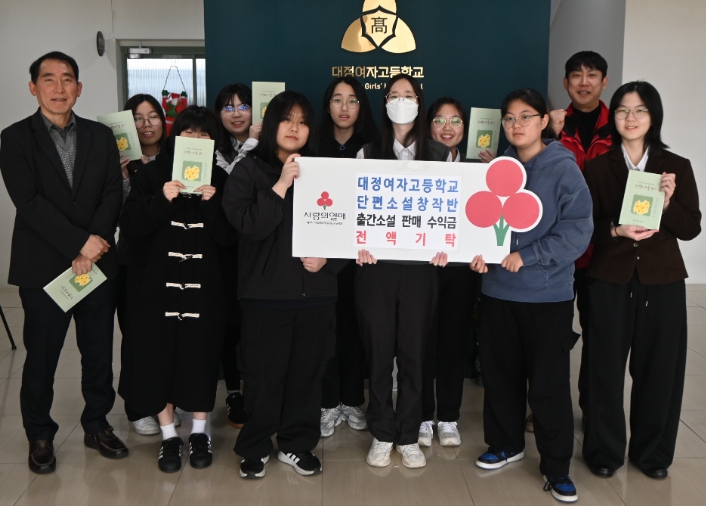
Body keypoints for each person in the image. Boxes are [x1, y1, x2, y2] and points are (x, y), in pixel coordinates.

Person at [0, 51, 127, 474]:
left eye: (67, 78)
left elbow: (112, 192)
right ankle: (39, 434)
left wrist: (93, 246)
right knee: (41, 357)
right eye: (49, 79)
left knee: (98, 351)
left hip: (97, 265)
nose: (59, 87)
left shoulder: (100, 135)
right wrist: (79, 244)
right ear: (33, 87)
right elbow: (29, 202)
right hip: (42, 268)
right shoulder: (14, 138)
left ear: (79, 87)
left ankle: (97, 424)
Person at [470, 88, 592, 503]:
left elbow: (578, 230)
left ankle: (556, 467)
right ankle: (506, 445)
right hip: (497, 292)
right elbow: (478, 222)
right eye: (509, 118)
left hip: (546, 296)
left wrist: (530, 255)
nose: (516, 124)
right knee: (500, 375)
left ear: (544, 121)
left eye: (526, 116)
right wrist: (478, 255)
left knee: (548, 385)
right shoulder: (496, 169)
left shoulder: (563, 169)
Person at [582, 81, 701, 480]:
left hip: (662, 280)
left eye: (640, 110)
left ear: (654, 116)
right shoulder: (597, 167)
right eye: (622, 110)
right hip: (609, 278)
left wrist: (667, 204)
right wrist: (616, 230)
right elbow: (584, 227)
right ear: (613, 117)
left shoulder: (676, 166)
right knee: (603, 370)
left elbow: (691, 228)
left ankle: (652, 454)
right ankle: (603, 452)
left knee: (660, 370)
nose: (630, 118)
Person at [222, 90, 343, 479]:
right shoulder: (248, 171)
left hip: (316, 295)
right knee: (263, 377)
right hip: (265, 296)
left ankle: (296, 444)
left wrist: (328, 261)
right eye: (288, 119)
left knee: (307, 376)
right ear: (272, 123)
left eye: (303, 121)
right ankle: (255, 446)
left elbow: (346, 229)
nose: (295, 127)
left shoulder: (324, 171)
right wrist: (281, 185)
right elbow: (249, 226)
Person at [119, 105, 236, 473]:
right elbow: (131, 224)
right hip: (156, 289)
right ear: (176, 137)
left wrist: (212, 204)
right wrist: (161, 199)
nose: (196, 140)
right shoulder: (151, 175)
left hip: (205, 290)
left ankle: (200, 431)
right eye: (189, 132)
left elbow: (231, 239)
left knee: (201, 355)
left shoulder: (221, 178)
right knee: (157, 358)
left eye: (204, 135)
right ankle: (169, 435)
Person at [355, 74, 450, 470]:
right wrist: (357, 241)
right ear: (384, 103)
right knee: (379, 354)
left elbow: (451, 209)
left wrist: (448, 244)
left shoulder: (440, 155)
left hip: (420, 271)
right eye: (393, 95)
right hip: (375, 269)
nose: (401, 101)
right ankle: (382, 432)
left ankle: (408, 434)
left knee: (414, 354)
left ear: (419, 102)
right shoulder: (367, 151)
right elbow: (355, 206)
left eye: (408, 95)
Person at [528, 51, 611, 432]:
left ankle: (594, 412)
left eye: (592, 75)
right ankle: (545, 410)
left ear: (603, 82)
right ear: (565, 83)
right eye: (576, 75)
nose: (584, 82)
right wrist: (551, 134)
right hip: (556, 253)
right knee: (553, 338)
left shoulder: (619, 127)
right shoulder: (551, 126)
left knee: (601, 337)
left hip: (605, 250)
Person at [115, 93, 181, 436]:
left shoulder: (177, 157)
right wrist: (125, 177)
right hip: (132, 260)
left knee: (168, 334)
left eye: (153, 116)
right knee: (137, 335)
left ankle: (167, 403)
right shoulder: (117, 162)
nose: (146, 124)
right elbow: (121, 215)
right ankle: (138, 406)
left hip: (170, 261)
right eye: (137, 118)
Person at [317, 76, 379, 437]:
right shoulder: (313, 145)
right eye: (337, 99)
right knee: (325, 329)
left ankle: (353, 399)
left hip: (361, 256)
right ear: (327, 106)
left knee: (355, 328)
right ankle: (327, 401)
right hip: (323, 257)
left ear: (361, 107)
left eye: (352, 100)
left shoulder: (373, 148)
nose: (344, 107)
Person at [419, 97, 480, 448]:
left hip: (460, 270)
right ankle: (423, 415)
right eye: (439, 120)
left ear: (464, 129)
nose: (447, 128)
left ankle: (449, 417)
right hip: (421, 269)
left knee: (454, 343)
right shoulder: (413, 166)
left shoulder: (477, 170)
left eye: (455, 121)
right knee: (421, 344)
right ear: (428, 127)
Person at [213, 83, 261, 429]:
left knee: (255, 326)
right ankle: (234, 392)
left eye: (243, 106)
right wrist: (249, 147)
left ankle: (257, 391)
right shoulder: (209, 149)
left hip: (258, 248)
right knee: (229, 325)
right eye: (228, 107)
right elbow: (228, 188)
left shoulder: (268, 147)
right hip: (221, 250)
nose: (236, 113)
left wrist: (255, 145)